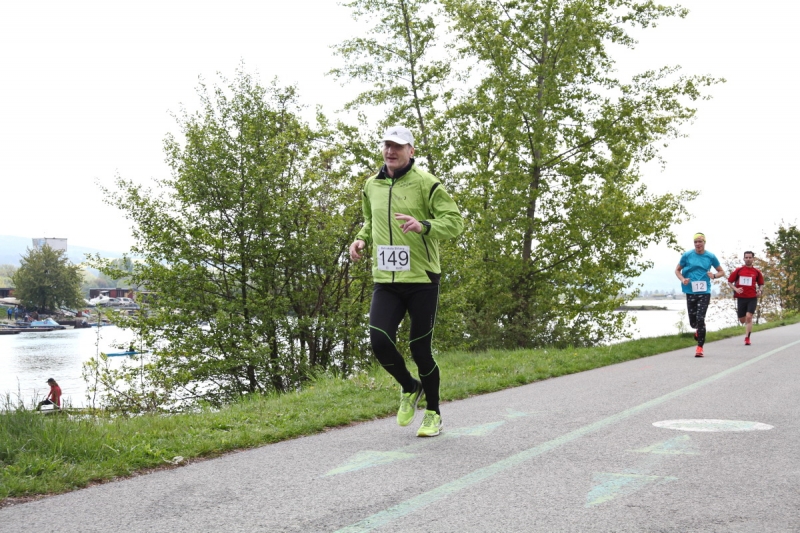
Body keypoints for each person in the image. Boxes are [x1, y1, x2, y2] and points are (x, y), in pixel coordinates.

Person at [349, 125, 464, 437]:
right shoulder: (371, 185)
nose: (391, 151)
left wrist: (423, 225)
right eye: (387, 145)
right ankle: (410, 386)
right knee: (379, 341)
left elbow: (455, 222)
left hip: (421, 279)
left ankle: (434, 413)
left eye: (398, 146)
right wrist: (361, 239)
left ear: (411, 151)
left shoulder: (427, 183)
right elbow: (370, 220)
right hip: (385, 279)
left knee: (420, 349)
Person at [675, 233, 725, 357]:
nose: (698, 244)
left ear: (704, 243)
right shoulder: (687, 255)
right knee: (693, 322)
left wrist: (714, 276)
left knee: (700, 318)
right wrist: (683, 279)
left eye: (700, 242)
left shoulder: (710, 256)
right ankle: (698, 329)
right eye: (695, 242)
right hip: (690, 291)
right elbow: (677, 270)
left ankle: (700, 348)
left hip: (704, 292)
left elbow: (721, 271)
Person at [727, 251, 765, 345]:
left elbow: (761, 284)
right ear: (744, 258)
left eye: (750, 257)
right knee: (742, 320)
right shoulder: (739, 270)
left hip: (752, 297)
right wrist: (736, 289)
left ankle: (747, 338)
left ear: (753, 259)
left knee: (749, 317)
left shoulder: (757, 272)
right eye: (746, 257)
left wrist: (760, 291)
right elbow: (729, 282)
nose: (748, 259)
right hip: (741, 298)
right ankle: (745, 325)